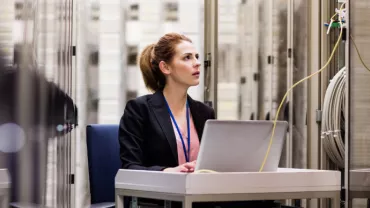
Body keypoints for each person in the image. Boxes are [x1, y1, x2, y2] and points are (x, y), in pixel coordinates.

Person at [118, 33, 277, 208]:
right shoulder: (139, 109)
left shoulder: (204, 112)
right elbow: (130, 167)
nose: (197, 62)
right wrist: (168, 171)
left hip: (202, 200)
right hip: (161, 202)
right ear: (165, 67)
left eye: (196, 57)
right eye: (187, 58)